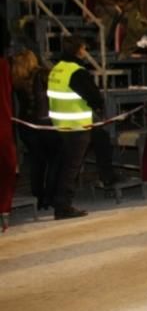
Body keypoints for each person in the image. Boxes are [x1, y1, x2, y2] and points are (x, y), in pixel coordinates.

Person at [47, 36, 117, 219]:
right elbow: (94, 97)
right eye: (84, 49)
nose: (86, 52)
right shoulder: (77, 71)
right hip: (76, 126)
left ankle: (107, 177)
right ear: (78, 50)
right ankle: (63, 206)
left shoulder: (56, 69)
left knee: (64, 163)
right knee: (71, 168)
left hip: (59, 124)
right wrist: (98, 104)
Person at [11, 50, 59, 211]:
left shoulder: (16, 79)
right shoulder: (43, 74)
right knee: (54, 159)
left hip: (25, 125)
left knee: (37, 162)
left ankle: (38, 196)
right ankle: (50, 196)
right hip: (45, 123)